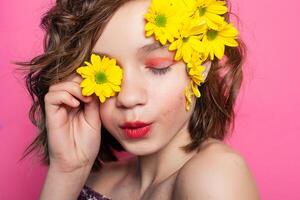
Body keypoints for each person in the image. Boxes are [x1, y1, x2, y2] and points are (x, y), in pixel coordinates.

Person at [18, 0, 259, 199]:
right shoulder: (94, 179)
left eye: (158, 67)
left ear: (201, 65)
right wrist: (66, 173)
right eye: (106, 74)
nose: (128, 97)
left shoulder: (216, 176)